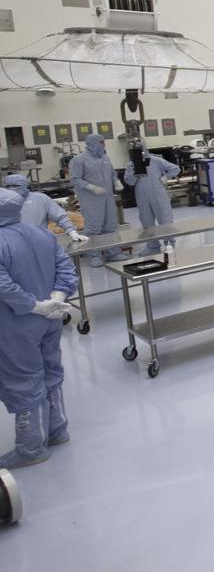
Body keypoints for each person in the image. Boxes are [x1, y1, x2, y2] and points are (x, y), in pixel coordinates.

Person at [0, 189, 77, 469]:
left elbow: (4, 287)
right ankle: (57, 429)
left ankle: (32, 448)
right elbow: (66, 269)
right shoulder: (41, 234)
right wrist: (56, 299)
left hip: (16, 323)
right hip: (52, 318)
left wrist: (35, 306)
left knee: (23, 379)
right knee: (51, 369)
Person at [68, 134, 126, 266]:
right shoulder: (79, 160)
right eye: (101, 142)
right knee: (93, 228)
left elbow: (112, 173)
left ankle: (114, 253)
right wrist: (91, 187)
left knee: (111, 226)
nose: (103, 145)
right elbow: (75, 179)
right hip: (91, 201)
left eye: (103, 142)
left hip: (108, 199)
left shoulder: (105, 158)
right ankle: (94, 255)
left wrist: (116, 181)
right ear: (92, 143)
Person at [122, 144, 181, 252]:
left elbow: (175, 168)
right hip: (142, 195)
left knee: (165, 219)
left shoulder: (156, 161)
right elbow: (129, 182)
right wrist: (135, 173)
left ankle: (170, 244)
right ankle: (152, 245)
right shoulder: (131, 164)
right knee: (146, 220)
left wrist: (165, 177)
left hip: (158, 193)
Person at [3, 175, 88, 243]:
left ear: (25, 185)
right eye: (8, 186)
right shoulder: (2, 202)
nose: (11, 189)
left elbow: (59, 216)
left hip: (40, 241)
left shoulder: (40, 199)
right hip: (11, 243)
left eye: (16, 186)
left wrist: (71, 231)